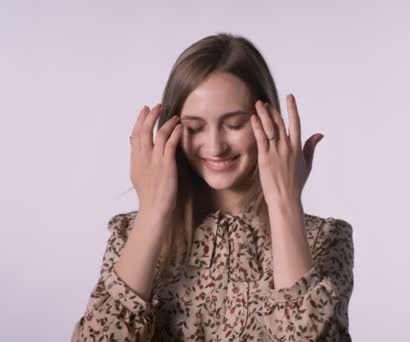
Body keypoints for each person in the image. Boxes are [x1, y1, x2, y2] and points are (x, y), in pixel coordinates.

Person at [70, 33, 354, 341]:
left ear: (267, 121)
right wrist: (152, 212)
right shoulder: (129, 234)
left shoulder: (323, 239)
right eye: (195, 128)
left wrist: (285, 202)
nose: (216, 146)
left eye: (234, 125)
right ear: (173, 128)